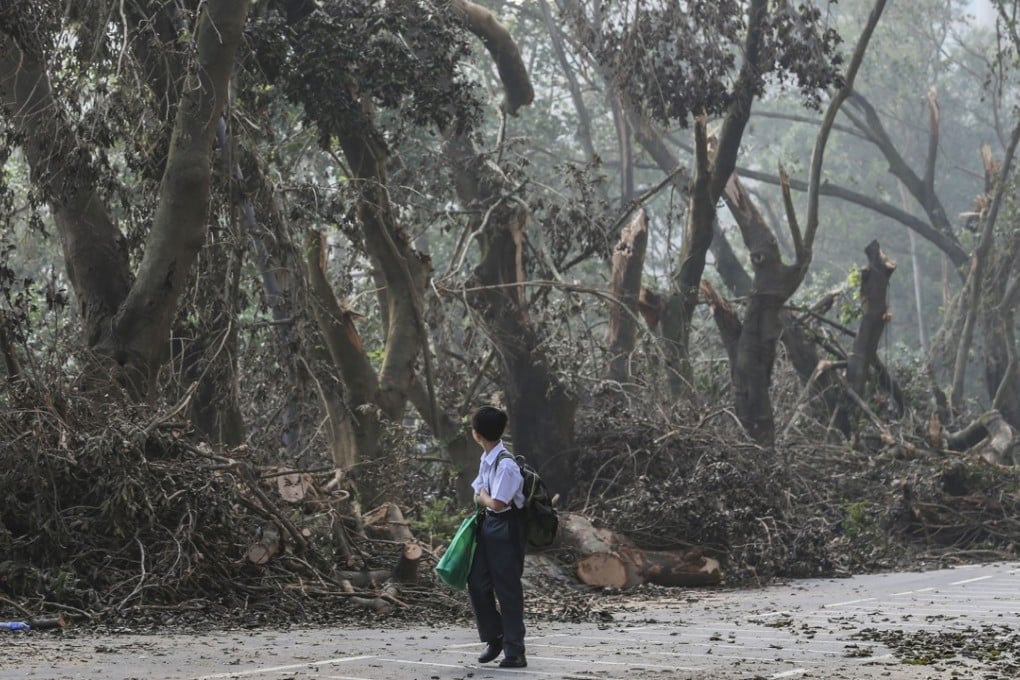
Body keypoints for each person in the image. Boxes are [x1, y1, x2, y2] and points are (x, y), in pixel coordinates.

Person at [467, 405, 528, 668]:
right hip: (488, 525)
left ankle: (515, 650)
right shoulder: (487, 458)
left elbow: (498, 503)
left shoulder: (506, 465)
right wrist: (484, 498)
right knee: (476, 582)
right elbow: (481, 493)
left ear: (476, 433)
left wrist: (483, 498)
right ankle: (496, 636)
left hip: (506, 527)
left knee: (507, 590)